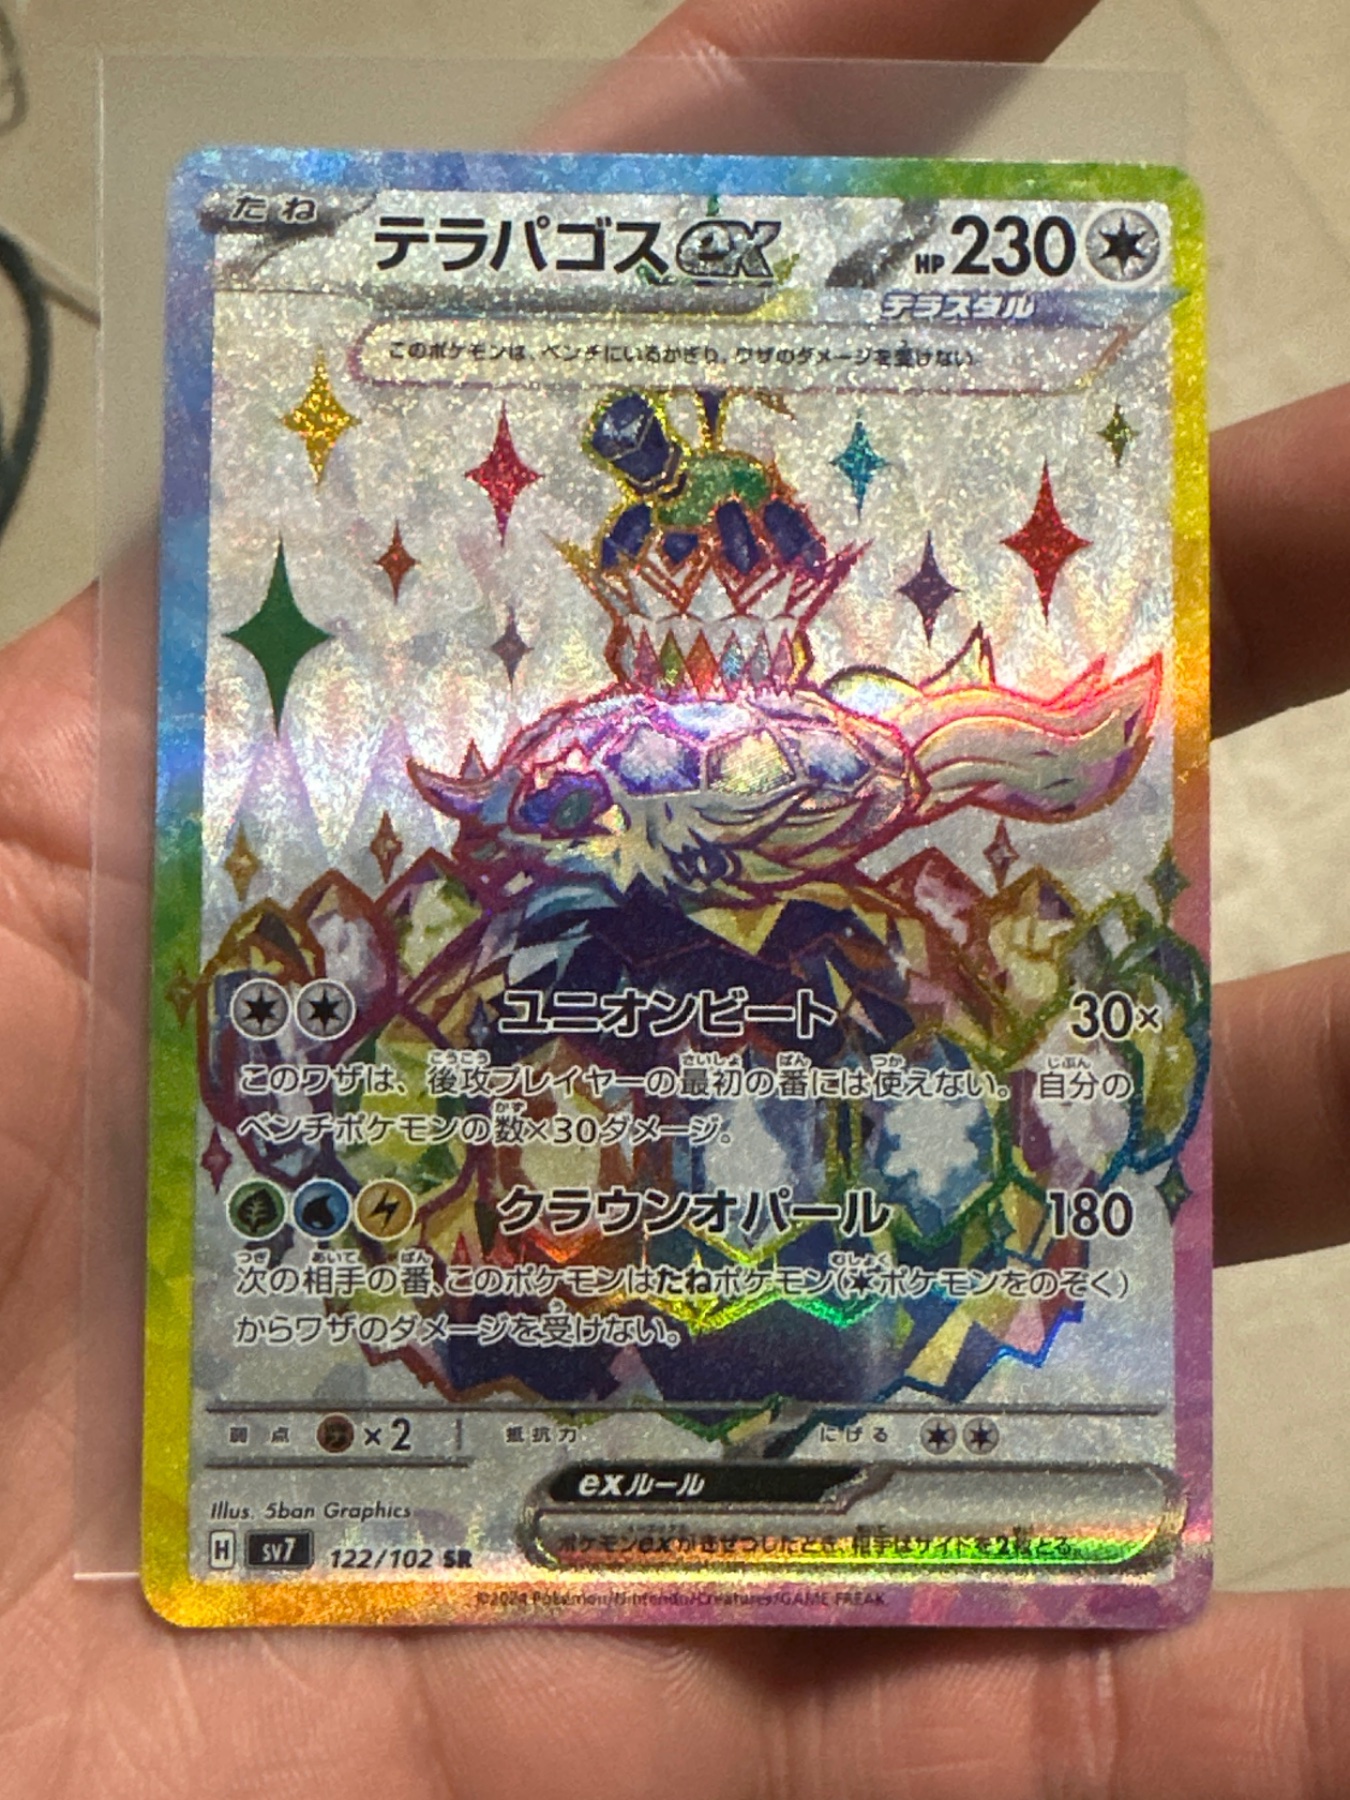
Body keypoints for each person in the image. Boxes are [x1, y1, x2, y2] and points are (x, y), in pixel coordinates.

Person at [4, 0, 1350, 1792]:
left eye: (750, 587)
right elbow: (513, 834)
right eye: (684, 584)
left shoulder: (818, 752)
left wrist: (1009, 776)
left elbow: (963, 770)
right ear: (635, 596)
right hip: (577, 1041)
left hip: (790, 1084)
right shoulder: (599, 756)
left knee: (856, 1119)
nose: (720, 622)